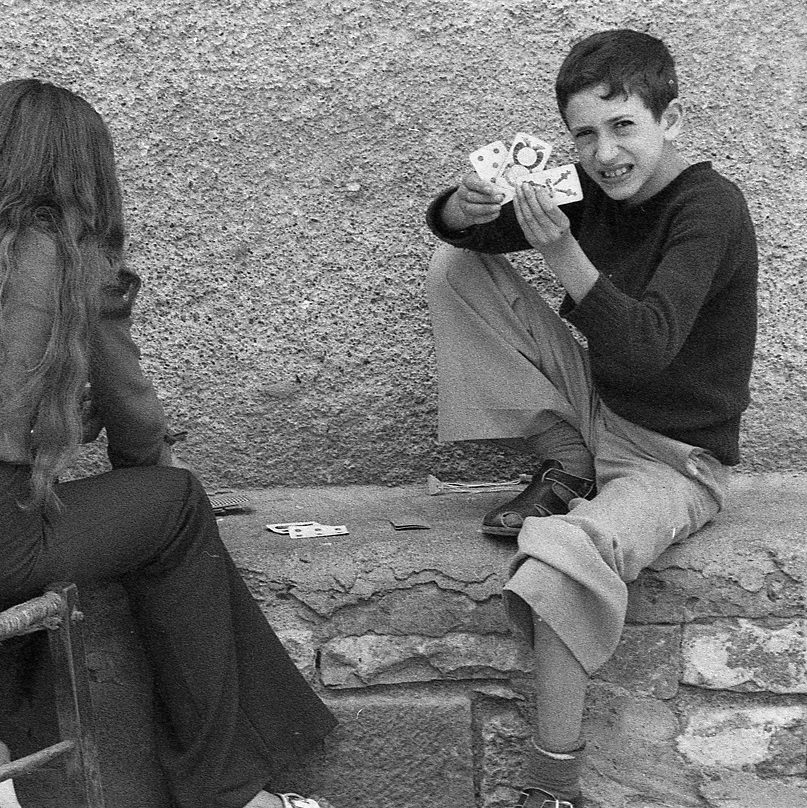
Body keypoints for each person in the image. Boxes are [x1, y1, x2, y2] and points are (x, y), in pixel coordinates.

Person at [425, 30, 757, 808]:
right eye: (583, 134)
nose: (604, 153)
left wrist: (563, 252)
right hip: (598, 409)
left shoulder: (709, 209)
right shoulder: (587, 187)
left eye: (622, 126)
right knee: (457, 266)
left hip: (672, 460)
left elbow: (645, 346)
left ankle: (551, 789)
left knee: (558, 556)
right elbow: (468, 235)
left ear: (669, 120)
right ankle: (568, 461)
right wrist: (461, 206)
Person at [0, 78, 337, 808]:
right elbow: (133, 417)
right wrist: (143, 473)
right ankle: (230, 791)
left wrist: (49, 425)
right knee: (176, 504)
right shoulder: (68, 255)